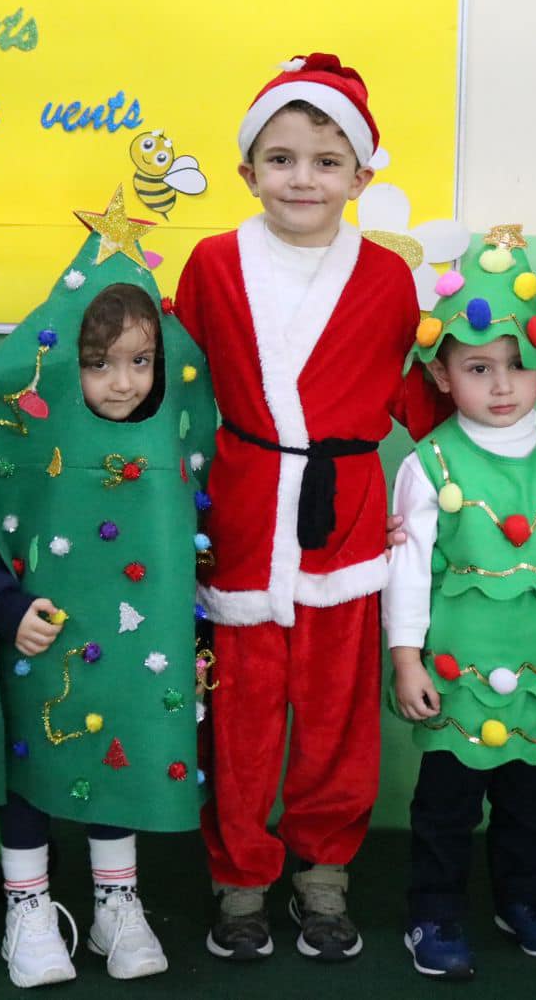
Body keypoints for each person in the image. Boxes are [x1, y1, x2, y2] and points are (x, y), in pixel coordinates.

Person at [172, 52, 447, 962]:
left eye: (327, 162)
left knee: (336, 714)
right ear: (248, 170)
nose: (303, 178)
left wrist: (432, 484)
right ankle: (240, 878)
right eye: (281, 158)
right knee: (244, 714)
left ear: (363, 175)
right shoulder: (211, 265)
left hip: (348, 518)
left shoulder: (391, 280)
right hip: (248, 510)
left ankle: (323, 873)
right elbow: (173, 384)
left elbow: (416, 400)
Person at [0, 208, 216, 988]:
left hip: (137, 655)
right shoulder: (21, 443)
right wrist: (5, 609)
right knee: (31, 770)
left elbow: (207, 532)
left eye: (139, 361)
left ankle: (114, 903)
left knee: (121, 760)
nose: (123, 382)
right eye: (99, 363)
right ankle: (27, 909)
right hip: (42, 650)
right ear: (64, 361)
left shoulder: (175, 443)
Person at [384, 231, 536, 979]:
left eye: (518, 364)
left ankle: (522, 900)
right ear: (444, 374)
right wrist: (407, 660)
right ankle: (434, 912)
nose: (502, 384)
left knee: (529, 807)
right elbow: (410, 573)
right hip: (457, 679)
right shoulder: (431, 464)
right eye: (479, 367)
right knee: (446, 811)